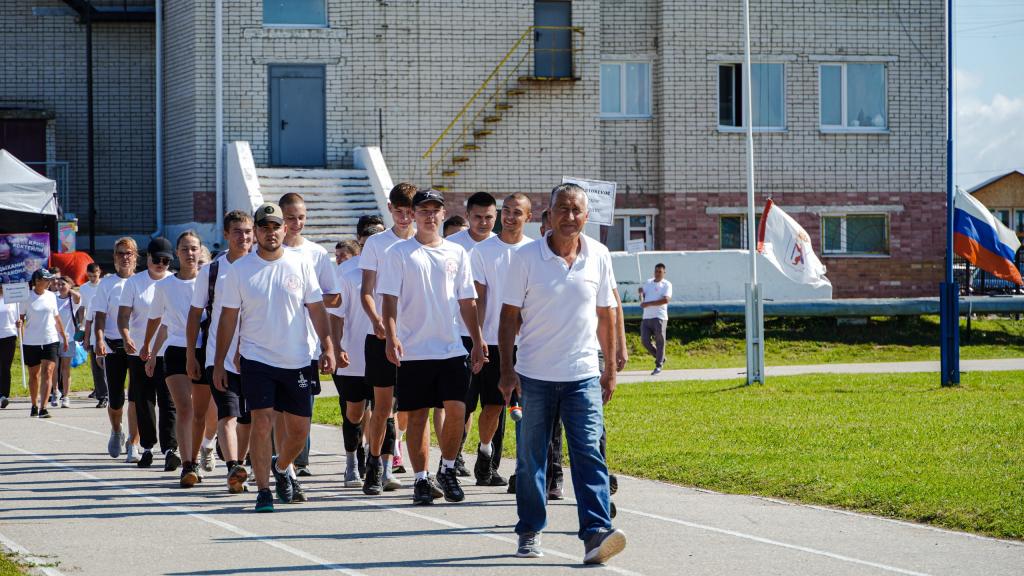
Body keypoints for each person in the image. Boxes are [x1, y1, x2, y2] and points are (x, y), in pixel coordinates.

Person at [499, 183, 626, 564]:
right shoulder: (525, 258)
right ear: (550, 213)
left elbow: (606, 314)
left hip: (583, 375)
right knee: (532, 458)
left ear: (586, 216)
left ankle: (596, 533)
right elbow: (508, 317)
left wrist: (610, 368)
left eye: (576, 210)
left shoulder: (599, 255)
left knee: (589, 453)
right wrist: (507, 370)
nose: (569, 217)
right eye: (563, 209)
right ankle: (529, 529)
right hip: (534, 375)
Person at [213, 202, 336, 513]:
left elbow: (317, 309)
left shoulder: (300, 263)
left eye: (275, 227)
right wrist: (219, 362)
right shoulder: (239, 270)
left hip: (297, 359)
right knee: (262, 421)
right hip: (256, 359)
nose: (271, 232)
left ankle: (281, 468)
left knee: (300, 430)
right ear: (256, 232)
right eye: (264, 227)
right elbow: (228, 319)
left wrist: (328, 346)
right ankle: (264, 490)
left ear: (285, 229)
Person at [379, 189, 487, 505]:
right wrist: (391, 336)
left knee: (457, 409)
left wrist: (477, 339)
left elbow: (467, 301)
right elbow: (389, 300)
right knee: (417, 417)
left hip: (451, 349)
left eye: (435, 210)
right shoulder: (399, 253)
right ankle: (421, 479)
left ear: (443, 214)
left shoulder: (457, 253)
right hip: (414, 350)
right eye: (423, 210)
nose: (429, 216)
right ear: (413, 214)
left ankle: (448, 469)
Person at [466, 193, 532, 487]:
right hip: (493, 340)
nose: (510, 217)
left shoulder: (535, 250)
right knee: (493, 406)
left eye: (517, 212)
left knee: (529, 409)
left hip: (529, 342)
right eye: (506, 211)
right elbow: (479, 298)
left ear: (528, 217)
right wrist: (478, 337)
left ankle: (524, 470)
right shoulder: (483, 251)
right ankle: (485, 452)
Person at [186, 210, 254, 494]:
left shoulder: (261, 266)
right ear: (226, 234)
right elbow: (195, 315)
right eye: (237, 231)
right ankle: (233, 467)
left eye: (248, 231)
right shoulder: (212, 271)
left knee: (247, 419)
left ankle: (240, 465)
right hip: (219, 356)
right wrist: (192, 354)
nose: (243, 237)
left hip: (255, 355)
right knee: (228, 414)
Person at [359, 182, 417, 495]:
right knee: (382, 408)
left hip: (416, 340)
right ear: (390, 209)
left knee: (412, 409)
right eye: (399, 211)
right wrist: (377, 320)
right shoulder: (377, 243)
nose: (405, 217)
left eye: (410, 212)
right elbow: (366, 291)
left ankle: (416, 471)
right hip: (381, 337)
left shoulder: (426, 243)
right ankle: (374, 465)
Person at [279, 192, 341, 478]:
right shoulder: (265, 252)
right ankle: (275, 461)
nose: (296, 223)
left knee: (303, 406)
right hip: (270, 342)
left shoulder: (315, 253)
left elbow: (335, 297)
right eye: (290, 218)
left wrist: (307, 300)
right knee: (272, 409)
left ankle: (299, 462)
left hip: (307, 344)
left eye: (301, 217)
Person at [141, 231, 206, 484]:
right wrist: (148, 349)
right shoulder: (165, 286)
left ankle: (199, 455)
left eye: (194, 248)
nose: (190, 253)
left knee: (201, 413)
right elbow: (157, 319)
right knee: (184, 408)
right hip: (176, 350)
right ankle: (187, 464)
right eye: (185, 249)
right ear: (177, 253)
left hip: (204, 350)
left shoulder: (210, 281)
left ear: (200, 251)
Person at [447, 191, 498, 477]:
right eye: (477, 217)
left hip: (497, 337)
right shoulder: (452, 246)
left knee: (495, 403)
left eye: (489, 217)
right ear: (467, 216)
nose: (483, 222)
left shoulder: (503, 245)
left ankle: (488, 461)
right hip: (460, 335)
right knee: (461, 403)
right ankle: (452, 459)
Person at [119, 237, 177, 469]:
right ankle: (147, 447)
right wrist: (126, 336)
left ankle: (170, 448)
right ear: (148, 257)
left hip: (168, 350)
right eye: (157, 259)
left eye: (166, 260)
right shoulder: (135, 282)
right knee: (144, 401)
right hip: (140, 352)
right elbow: (123, 315)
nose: (161, 264)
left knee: (168, 401)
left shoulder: (174, 281)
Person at [329, 223, 380, 487]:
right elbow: (335, 315)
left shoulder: (394, 268)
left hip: (384, 355)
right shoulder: (346, 273)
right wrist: (337, 347)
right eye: (367, 242)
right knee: (354, 412)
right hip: (353, 357)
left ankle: (380, 466)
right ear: (360, 245)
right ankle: (351, 461)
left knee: (384, 413)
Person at [94, 238, 149, 462]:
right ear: (114, 257)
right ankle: (117, 430)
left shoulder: (143, 281)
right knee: (116, 399)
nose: (125, 257)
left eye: (129, 253)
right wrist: (98, 341)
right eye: (120, 253)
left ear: (136, 256)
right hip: (113, 346)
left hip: (137, 347)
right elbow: (99, 316)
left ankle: (134, 443)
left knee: (137, 397)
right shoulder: (107, 284)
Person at [20, 268, 68, 418]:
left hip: (50, 340)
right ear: (37, 281)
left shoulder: (51, 296)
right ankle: (34, 404)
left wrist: (63, 336)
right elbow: (20, 318)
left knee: (48, 372)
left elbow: (56, 317)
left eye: (49, 280)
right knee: (34, 375)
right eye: (46, 280)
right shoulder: (26, 297)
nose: (49, 282)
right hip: (31, 341)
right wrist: (19, 326)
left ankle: (43, 408)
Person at [80, 263, 108, 407]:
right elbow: (88, 319)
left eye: (95, 275)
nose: (92, 278)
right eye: (90, 276)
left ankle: (110, 392)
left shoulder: (106, 286)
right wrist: (86, 337)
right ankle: (102, 395)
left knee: (109, 366)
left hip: (109, 335)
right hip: (94, 336)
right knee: (97, 367)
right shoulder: (86, 291)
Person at [639, 263, 672, 375]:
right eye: (656, 271)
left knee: (660, 341)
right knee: (644, 341)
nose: (657, 273)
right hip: (646, 317)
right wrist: (641, 293)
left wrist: (648, 304)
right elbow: (643, 297)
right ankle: (660, 357)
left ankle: (658, 365)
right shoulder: (648, 282)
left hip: (659, 317)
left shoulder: (667, 284)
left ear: (664, 273)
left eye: (660, 272)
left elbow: (666, 300)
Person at [54, 275, 82, 408]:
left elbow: (78, 297)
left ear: (70, 285)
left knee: (66, 368)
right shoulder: (53, 298)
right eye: (58, 285)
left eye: (62, 284)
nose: (60, 287)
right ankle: (55, 392)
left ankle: (66, 396)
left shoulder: (72, 300)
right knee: (54, 368)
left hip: (68, 338)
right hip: (53, 338)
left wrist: (68, 288)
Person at [0, 284, 19, 409]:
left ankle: (4, 395)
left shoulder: (14, 300)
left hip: (9, 335)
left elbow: (19, 317)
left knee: (5, 367)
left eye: (3, 286)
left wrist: (19, 323)